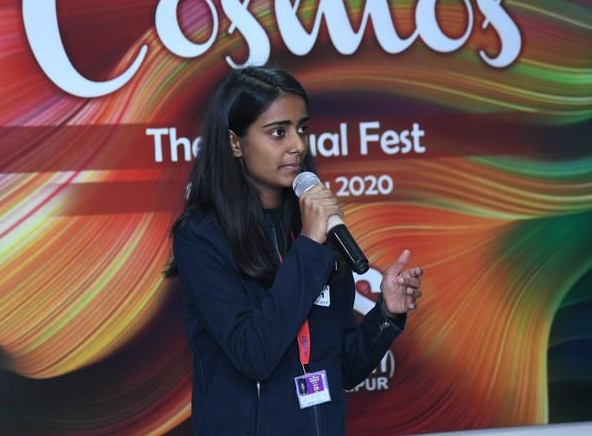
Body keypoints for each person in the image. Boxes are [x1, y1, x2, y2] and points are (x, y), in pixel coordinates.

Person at [166, 66, 423, 435]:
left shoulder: (315, 229)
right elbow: (254, 355)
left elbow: (342, 369)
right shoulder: (202, 237)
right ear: (236, 143)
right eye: (278, 132)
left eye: (302, 129)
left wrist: (387, 313)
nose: (298, 145)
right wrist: (309, 245)